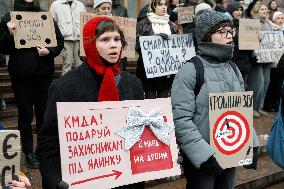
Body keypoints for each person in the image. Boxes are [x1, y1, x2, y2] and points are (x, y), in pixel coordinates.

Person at [37, 16, 145, 189]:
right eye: (105, 39)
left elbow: (141, 135)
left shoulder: (133, 84)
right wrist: (55, 180)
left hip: (125, 180)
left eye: (117, 39)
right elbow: (48, 142)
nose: (113, 45)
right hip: (83, 181)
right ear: (90, 44)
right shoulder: (64, 87)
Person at [171, 10, 259, 189]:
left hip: (230, 151)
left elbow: (241, 112)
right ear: (207, 36)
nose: (229, 36)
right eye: (222, 31)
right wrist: (204, 157)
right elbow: (181, 120)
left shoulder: (233, 69)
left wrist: (252, 145)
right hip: (202, 161)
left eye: (230, 31)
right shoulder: (190, 70)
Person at [0, 0, 64, 169]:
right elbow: (2, 47)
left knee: (44, 112)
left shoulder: (44, 16)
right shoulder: (9, 17)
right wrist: (9, 33)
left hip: (43, 73)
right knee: (25, 114)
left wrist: (49, 51)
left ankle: (42, 149)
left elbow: (59, 40)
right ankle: (28, 151)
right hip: (22, 74)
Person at [136, 0, 179, 99]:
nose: (164, 7)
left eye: (165, 4)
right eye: (160, 4)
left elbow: (178, 48)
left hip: (166, 72)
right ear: (154, 6)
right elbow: (137, 45)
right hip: (148, 70)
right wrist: (156, 38)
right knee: (150, 99)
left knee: (163, 100)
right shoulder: (143, 24)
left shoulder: (172, 26)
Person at [247, 2, 273, 118]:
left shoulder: (268, 22)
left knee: (266, 81)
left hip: (268, 56)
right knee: (258, 82)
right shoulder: (252, 22)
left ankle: (259, 106)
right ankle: (252, 107)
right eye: (262, 9)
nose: (264, 11)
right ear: (256, 10)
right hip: (256, 57)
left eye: (265, 9)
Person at [50, 0, 86, 75]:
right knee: (67, 63)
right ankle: (65, 85)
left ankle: (80, 84)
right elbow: (51, 22)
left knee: (80, 64)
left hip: (78, 39)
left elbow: (85, 21)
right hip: (65, 39)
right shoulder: (55, 5)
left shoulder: (80, 5)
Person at [227, 1, 253, 87]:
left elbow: (249, 44)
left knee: (242, 89)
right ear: (230, 11)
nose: (239, 12)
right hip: (232, 63)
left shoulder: (244, 24)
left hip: (244, 63)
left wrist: (256, 39)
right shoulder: (226, 25)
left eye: (241, 10)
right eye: (236, 10)